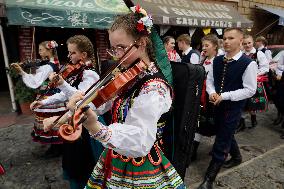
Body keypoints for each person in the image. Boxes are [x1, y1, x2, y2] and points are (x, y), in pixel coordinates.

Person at [59, 6, 186, 189]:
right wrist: (80, 103)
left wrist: (97, 127)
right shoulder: (130, 76)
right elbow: (102, 102)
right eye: (113, 49)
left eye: (121, 48)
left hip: (141, 164)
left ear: (142, 43)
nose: (117, 55)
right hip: (116, 155)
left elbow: (140, 139)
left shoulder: (154, 88)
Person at [32, 35, 103, 189]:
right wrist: (43, 101)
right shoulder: (77, 71)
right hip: (75, 121)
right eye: (69, 53)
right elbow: (65, 95)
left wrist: (63, 83)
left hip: (87, 124)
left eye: (72, 53)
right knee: (74, 161)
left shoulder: (90, 74)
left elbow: (81, 99)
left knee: (86, 165)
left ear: (83, 55)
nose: (69, 56)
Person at [197, 28, 257, 189]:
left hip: (233, 107)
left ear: (240, 40)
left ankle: (209, 177)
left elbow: (250, 89)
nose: (227, 41)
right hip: (215, 105)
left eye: (231, 38)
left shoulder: (248, 63)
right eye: (225, 38)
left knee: (222, 139)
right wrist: (212, 92)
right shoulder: (217, 60)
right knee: (223, 130)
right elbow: (209, 80)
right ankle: (237, 157)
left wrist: (225, 96)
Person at [11, 41, 67, 158]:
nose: (39, 52)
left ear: (49, 50)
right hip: (55, 94)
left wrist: (22, 72)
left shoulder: (47, 66)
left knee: (49, 121)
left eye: (41, 50)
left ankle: (56, 148)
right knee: (56, 119)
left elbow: (36, 81)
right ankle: (58, 146)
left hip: (50, 96)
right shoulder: (52, 63)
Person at [191, 34, 219, 162]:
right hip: (202, 98)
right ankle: (193, 151)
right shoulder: (202, 60)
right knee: (200, 123)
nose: (203, 48)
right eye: (203, 45)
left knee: (217, 125)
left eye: (207, 45)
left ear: (215, 47)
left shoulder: (219, 62)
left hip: (213, 98)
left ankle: (226, 150)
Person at [239, 34, 269, 130]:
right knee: (242, 103)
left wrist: (255, 75)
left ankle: (253, 120)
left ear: (253, 43)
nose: (247, 45)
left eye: (249, 43)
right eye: (245, 43)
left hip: (254, 82)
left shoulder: (259, 54)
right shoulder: (240, 54)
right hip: (242, 82)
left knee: (252, 104)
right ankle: (242, 124)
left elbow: (265, 67)